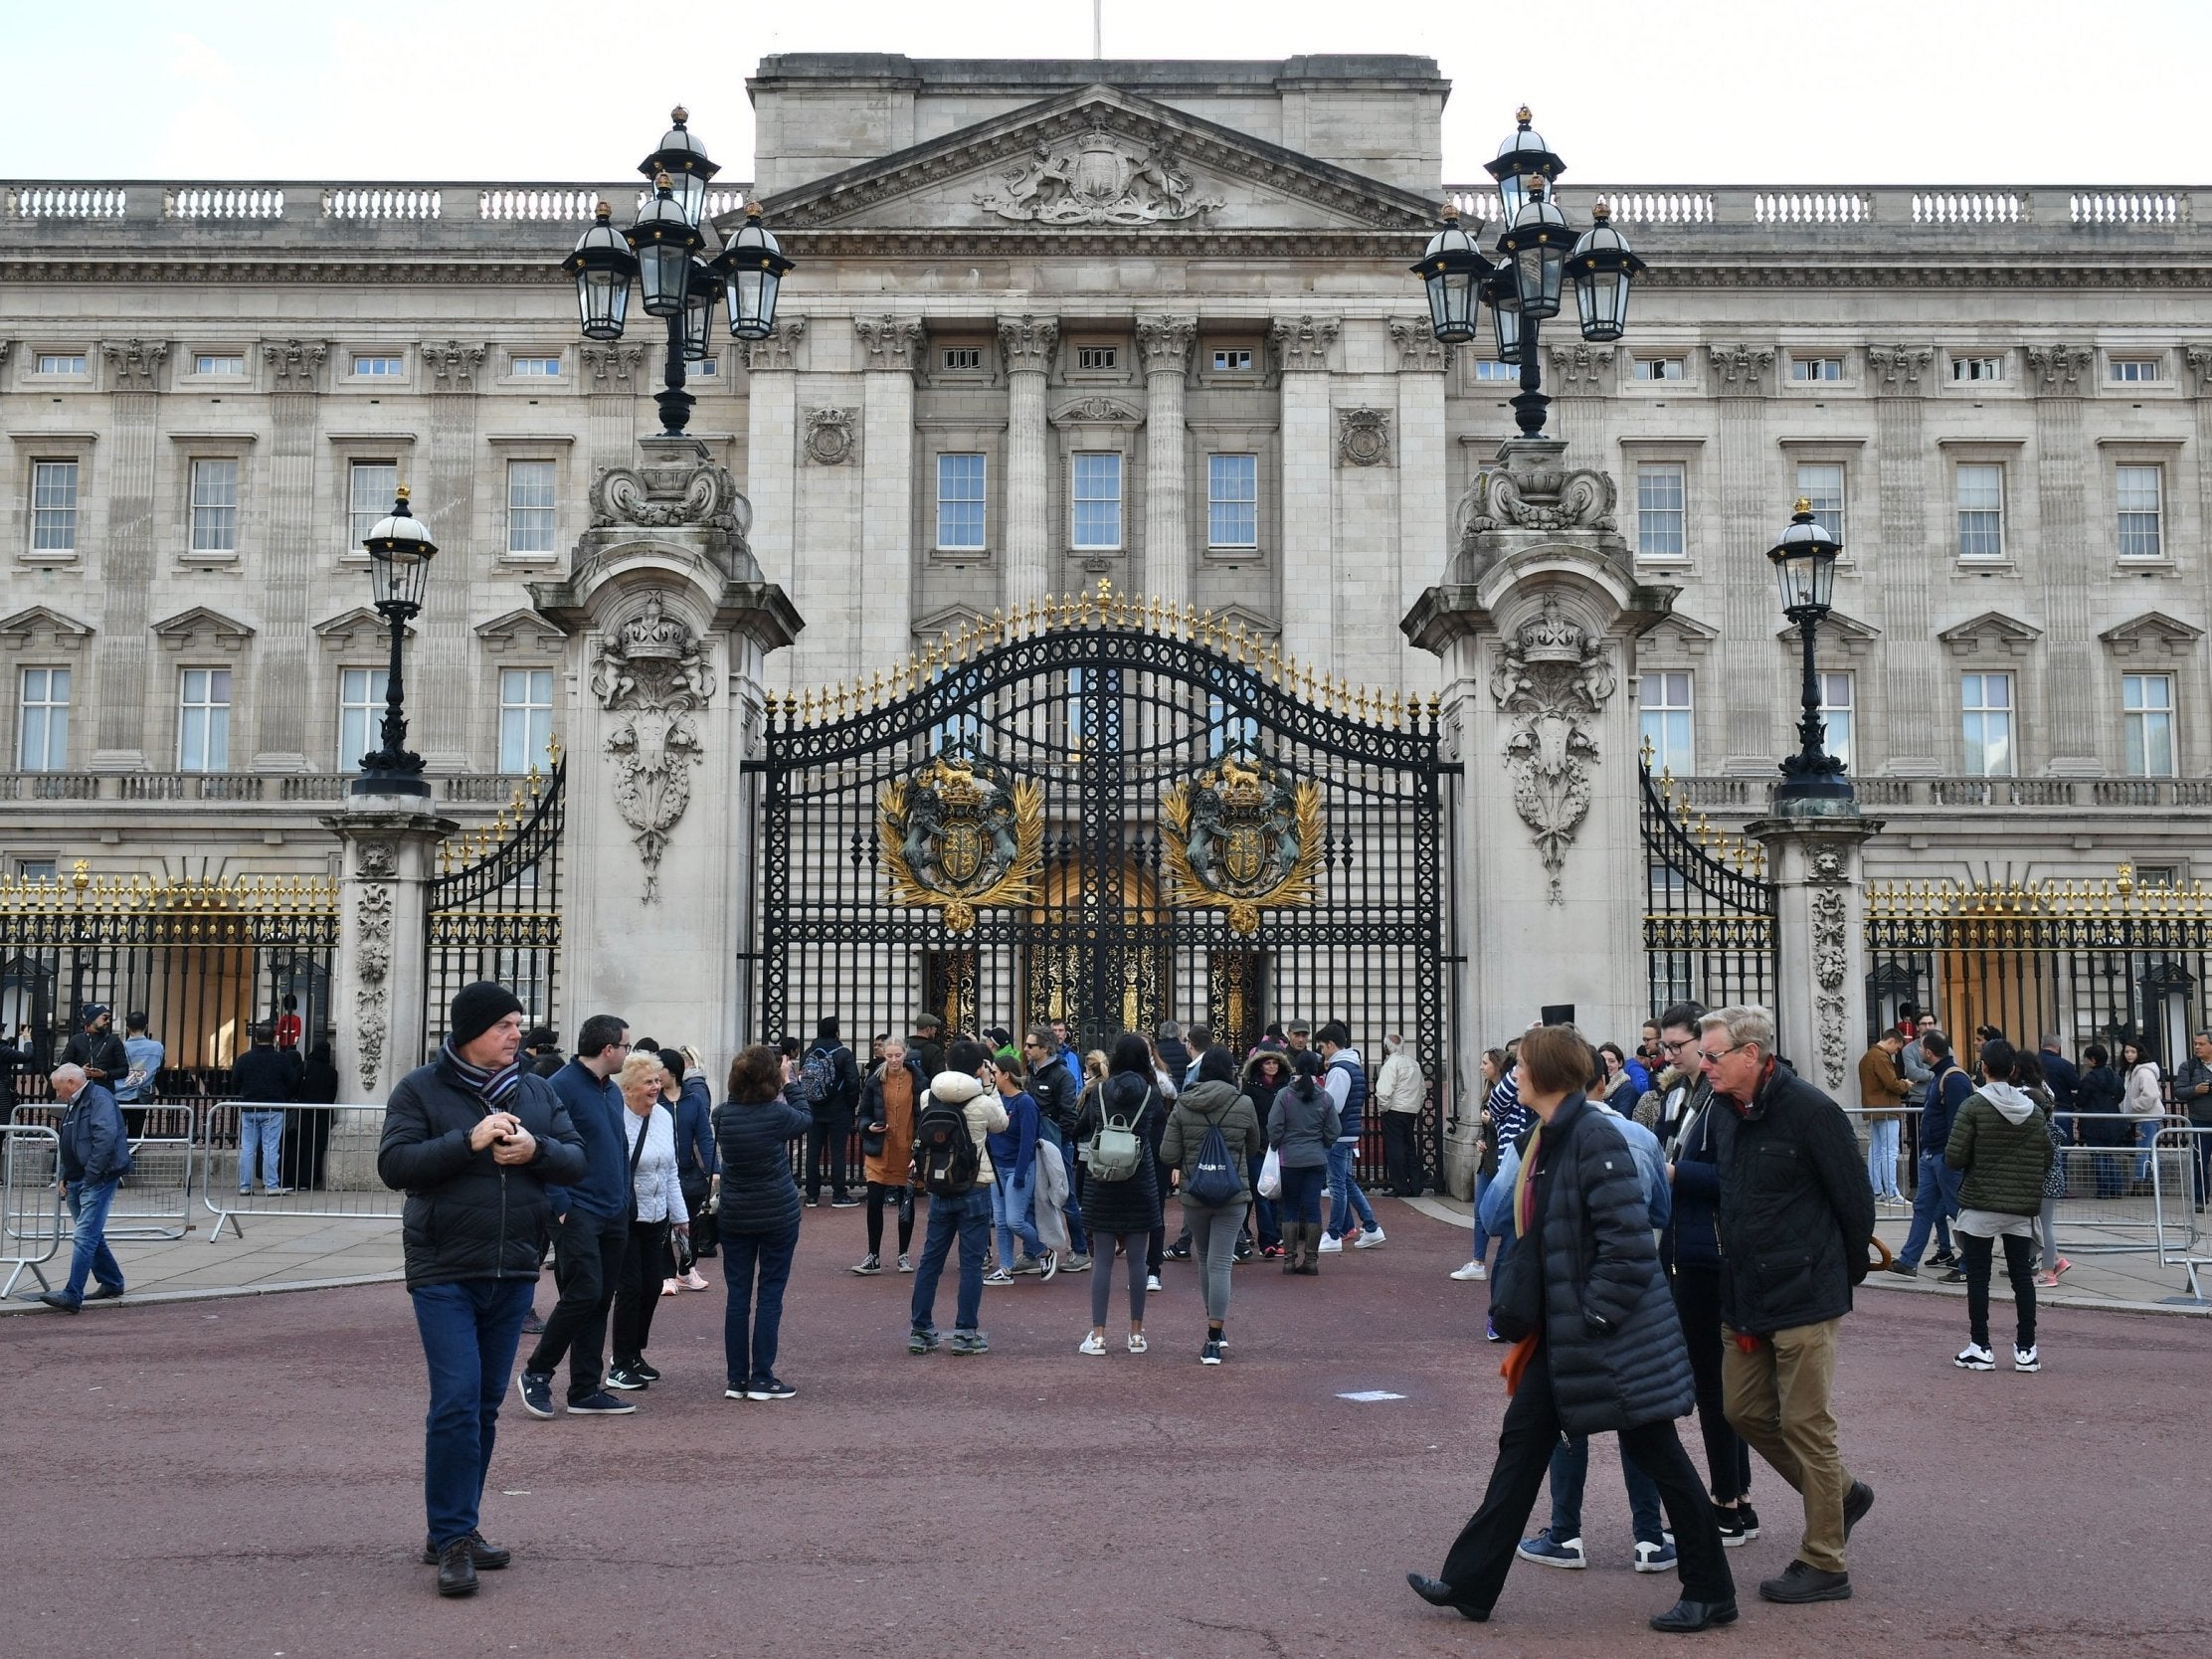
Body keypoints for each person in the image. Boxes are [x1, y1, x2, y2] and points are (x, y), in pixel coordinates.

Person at [1407, 1022, 1734, 1635]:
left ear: (1548, 1073)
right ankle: (1472, 1582)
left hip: (1605, 1337)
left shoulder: (1593, 1138)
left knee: (1656, 1453)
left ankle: (1712, 1589)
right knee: (1521, 1448)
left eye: (1522, 1065)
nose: (1514, 1075)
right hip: (1569, 1335)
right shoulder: (1552, 1136)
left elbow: (1629, 1247)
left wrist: (1593, 1319)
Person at [376, 981, 586, 1597]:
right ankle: (454, 1539)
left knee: (486, 1404)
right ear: (470, 1031)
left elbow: (576, 1158)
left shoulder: (537, 1089)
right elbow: (394, 1166)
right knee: (457, 1398)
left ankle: (452, 1527)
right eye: (505, 1026)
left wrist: (535, 1148)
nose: (517, 1034)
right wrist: (465, 1142)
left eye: (518, 1024)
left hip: (516, 1264)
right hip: (444, 1265)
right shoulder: (420, 1089)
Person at [1699, 1005, 1877, 1605]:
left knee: (1807, 1425)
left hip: (1805, 1293)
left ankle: (1825, 1560)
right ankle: (1843, 1496)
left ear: (1751, 1054)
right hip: (1745, 1291)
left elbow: (1855, 1203)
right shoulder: (1720, 1111)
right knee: (1743, 1411)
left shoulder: (1812, 1111)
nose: (1704, 1065)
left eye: (1713, 1055)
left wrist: (1835, 1279)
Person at [1514, 1064, 1680, 1575]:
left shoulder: (1547, 1139)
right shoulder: (1640, 1135)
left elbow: (1501, 1209)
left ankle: (1566, 1533)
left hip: (1571, 1293)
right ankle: (1650, 1538)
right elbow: (1659, 1213)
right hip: (1633, 1293)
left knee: (1569, 1417)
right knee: (1640, 1419)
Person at [1652, 1002, 1756, 1548]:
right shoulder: (1681, 1097)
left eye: (1678, 1047)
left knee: (1716, 1386)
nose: (1668, 1056)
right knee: (1714, 1384)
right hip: (1685, 1248)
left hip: (1708, 1255)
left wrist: (1671, 1171)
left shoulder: (1720, 1103)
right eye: (1665, 1047)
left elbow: (1730, 1178)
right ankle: (1735, 1496)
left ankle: (1728, 1502)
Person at [518, 1014, 638, 1419]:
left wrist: (623, 1196)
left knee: (600, 1298)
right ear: (608, 1049)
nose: (628, 1052)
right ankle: (537, 1372)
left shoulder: (612, 1091)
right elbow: (540, 1147)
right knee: (583, 1293)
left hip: (611, 1210)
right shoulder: (558, 1088)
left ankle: (585, 1388)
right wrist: (561, 1203)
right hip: (577, 1209)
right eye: (625, 1045)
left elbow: (617, 1147)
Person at [1944, 1039, 2054, 1372]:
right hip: (2020, 1204)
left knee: (1978, 1276)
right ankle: (2026, 1349)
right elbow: (2047, 1156)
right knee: (2021, 1276)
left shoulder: (1973, 1107)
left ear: (1983, 1068)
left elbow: (1954, 1156)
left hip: (1980, 1201)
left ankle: (1980, 1345)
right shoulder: (2032, 1111)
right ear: (2014, 1070)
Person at [712, 1043, 811, 1399]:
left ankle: (737, 1378)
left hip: (735, 1213)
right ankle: (762, 1376)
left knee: (737, 1296)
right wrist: (789, 1082)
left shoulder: (721, 1114)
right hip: (777, 1212)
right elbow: (805, 1117)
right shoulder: (776, 1115)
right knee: (770, 1294)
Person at [1160, 1046, 1264, 1364]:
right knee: (1221, 1262)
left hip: (1196, 1191)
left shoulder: (1184, 1103)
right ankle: (1215, 1335)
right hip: (1232, 1192)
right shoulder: (1242, 1102)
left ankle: (1213, 1327)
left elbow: (1167, 1154)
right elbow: (1254, 1145)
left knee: (1205, 1259)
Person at [908, 1039, 1010, 1357]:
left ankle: (920, 1329)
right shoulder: (982, 1101)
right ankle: (966, 1332)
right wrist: (990, 1087)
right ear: (979, 1068)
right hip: (974, 1186)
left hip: (939, 1185)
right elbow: (1002, 1125)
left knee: (930, 1260)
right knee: (970, 1264)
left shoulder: (929, 1096)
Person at [1075, 1034, 1167, 1354]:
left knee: (1102, 1261)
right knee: (1138, 1262)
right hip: (1139, 1179)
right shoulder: (1152, 1094)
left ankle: (1098, 1336)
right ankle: (1136, 1334)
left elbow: (1083, 1124)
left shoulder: (1099, 1091)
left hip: (1102, 1179)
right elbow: (1159, 1127)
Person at [605, 1052, 689, 1391]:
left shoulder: (665, 1116)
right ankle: (620, 1363)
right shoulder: (617, 1116)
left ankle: (635, 1353)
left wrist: (681, 1217)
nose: (656, 1087)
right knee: (630, 1287)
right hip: (626, 1214)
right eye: (648, 1082)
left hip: (657, 1215)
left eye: (657, 1080)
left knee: (654, 1284)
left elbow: (670, 1171)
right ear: (628, 1087)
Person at [37, 1063, 132, 1313]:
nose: (58, 1094)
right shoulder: (77, 1101)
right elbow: (68, 1140)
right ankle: (112, 1281)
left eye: (59, 1089)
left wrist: (91, 1174)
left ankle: (72, 1293)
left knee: (84, 1236)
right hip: (80, 1177)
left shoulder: (98, 1098)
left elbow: (105, 1136)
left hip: (97, 1178)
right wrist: (65, 1174)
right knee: (90, 1234)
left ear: (71, 1082)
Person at [1889, 1028, 1972, 1279]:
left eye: (1921, 1047)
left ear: (1928, 1052)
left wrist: (1950, 1155)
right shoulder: (1940, 1076)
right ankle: (1908, 1260)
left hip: (1944, 1157)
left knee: (1957, 1209)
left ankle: (1970, 1262)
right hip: (1932, 1155)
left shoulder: (1954, 1078)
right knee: (1924, 1207)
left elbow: (1958, 1121)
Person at [854, 1035, 927, 1274]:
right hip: (879, 1149)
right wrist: (868, 1127)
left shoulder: (917, 1080)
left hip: (906, 1149)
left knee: (905, 1203)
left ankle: (903, 1255)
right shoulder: (875, 1080)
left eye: (898, 1055)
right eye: (889, 1056)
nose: (894, 1060)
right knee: (874, 1202)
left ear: (905, 1055)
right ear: (883, 1056)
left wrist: (921, 1146)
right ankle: (873, 1255)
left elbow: (924, 1116)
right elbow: (863, 1113)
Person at [1022, 1024, 1091, 1271]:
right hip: (1036, 1143)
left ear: (1045, 1048)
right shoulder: (1033, 1071)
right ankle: (1032, 1253)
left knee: (1065, 1196)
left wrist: (1059, 1141)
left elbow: (1069, 1114)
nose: (1026, 1049)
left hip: (1055, 1144)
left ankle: (1081, 1251)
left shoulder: (1061, 1075)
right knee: (1031, 1197)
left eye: (1031, 1045)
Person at [985, 1051, 1052, 1282]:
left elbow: (1027, 1141)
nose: (992, 1076)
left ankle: (1044, 1250)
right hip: (998, 1167)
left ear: (1006, 1074)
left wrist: (1022, 1172)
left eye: (995, 1072)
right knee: (1002, 1222)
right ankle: (1006, 1267)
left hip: (1016, 1167)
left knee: (1014, 1220)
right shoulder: (996, 1099)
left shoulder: (1025, 1103)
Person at [1265, 1061, 1338, 1274]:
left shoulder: (1284, 1095)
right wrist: (1322, 1142)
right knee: (1313, 1207)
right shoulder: (1325, 1097)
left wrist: (1277, 1143)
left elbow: (1274, 1126)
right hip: (1316, 1158)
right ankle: (1311, 1260)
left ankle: (1289, 1260)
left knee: (1290, 1208)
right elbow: (1334, 1129)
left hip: (1290, 1159)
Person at [1316, 1021, 1382, 1252]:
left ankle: (1334, 1233)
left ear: (1332, 1045)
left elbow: (1331, 1105)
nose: (1322, 1052)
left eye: (1323, 1047)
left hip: (1338, 1134)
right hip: (1347, 1132)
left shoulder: (1339, 1070)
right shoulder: (1352, 1066)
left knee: (1337, 1186)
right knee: (1346, 1182)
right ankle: (1372, 1227)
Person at [1452, 1048, 1510, 1282]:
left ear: (1497, 1065)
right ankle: (1478, 1262)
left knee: (1504, 1214)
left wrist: (1492, 1123)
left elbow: (1514, 1128)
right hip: (1488, 1160)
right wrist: (1482, 1141)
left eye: (1485, 1063)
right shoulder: (1489, 1092)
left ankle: (1502, 1261)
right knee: (1479, 1212)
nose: (1481, 1067)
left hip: (1503, 1162)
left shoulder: (1507, 1093)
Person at [232, 1019, 303, 1197]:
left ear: (256, 1039)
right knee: (271, 1147)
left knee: (248, 1147)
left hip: (249, 1106)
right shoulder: (281, 1059)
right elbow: (293, 1082)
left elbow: (235, 1082)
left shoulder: (244, 1059)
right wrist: (283, 1096)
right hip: (273, 1106)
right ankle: (271, 1184)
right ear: (274, 1039)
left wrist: (246, 1093)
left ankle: (245, 1184)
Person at [801, 1016, 862, 1209]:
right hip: (839, 1109)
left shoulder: (809, 1053)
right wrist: (851, 1104)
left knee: (812, 1151)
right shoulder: (843, 1053)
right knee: (838, 1152)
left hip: (814, 1107)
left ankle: (811, 1195)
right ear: (837, 1032)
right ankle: (839, 1194)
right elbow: (853, 1082)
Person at [666, 1045, 718, 1267]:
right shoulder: (656, 1100)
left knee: (687, 1222)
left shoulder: (693, 1096)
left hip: (688, 1169)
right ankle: (669, 1271)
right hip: (667, 1169)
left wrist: (712, 1168)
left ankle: (686, 1268)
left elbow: (704, 1136)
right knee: (665, 1225)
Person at [1239, 1048, 1291, 1257]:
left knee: (1277, 1194)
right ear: (1260, 1065)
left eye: (1275, 1063)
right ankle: (1267, 1241)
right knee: (1261, 1193)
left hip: (1279, 1145)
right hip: (1258, 1145)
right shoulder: (1251, 1087)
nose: (1272, 1066)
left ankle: (1274, 1236)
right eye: (1268, 1063)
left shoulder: (1285, 1086)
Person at [1857, 1029, 1910, 1206]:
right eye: (1897, 1048)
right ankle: (1892, 1192)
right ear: (1892, 1041)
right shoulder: (1880, 1057)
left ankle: (1876, 1190)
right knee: (1890, 1152)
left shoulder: (1866, 1057)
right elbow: (1892, 1083)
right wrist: (1905, 1084)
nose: (1896, 1052)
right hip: (1887, 1108)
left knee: (1876, 1151)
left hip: (1873, 1109)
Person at [2074, 1042, 2128, 1198]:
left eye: (2087, 1059)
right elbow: (2120, 1095)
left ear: (2093, 1060)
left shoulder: (2089, 1079)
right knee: (2109, 1155)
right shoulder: (2115, 1076)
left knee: (2098, 1156)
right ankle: (2116, 1188)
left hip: (2093, 1121)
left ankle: (2104, 1189)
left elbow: (2081, 1100)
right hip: (2112, 1120)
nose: (2085, 1062)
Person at [1376, 1031, 1426, 1197]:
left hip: (1394, 1110)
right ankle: (1417, 1185)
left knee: (1395, 1149)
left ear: (1386, 1048)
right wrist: (1416, 1106)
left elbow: (1383, 1092)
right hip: (1410, 1111)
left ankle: (1400, 1186)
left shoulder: (1391, 1064)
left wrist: (1384, 1108)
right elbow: (1423, 1090)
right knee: (1410, 1148)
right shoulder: (1414, 1063)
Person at [288, 1037, 340, 1192]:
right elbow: (332, 1094)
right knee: (316, 1147)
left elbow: (293, 1085)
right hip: (322, 1115)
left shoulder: (305, 1066)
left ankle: (295, 1178)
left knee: (300, 1145)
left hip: (303, 1112)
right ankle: (309, 1179)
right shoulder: (332, 1072)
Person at [2173, 1030, 2212, 1208]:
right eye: (2195, 1043)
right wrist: (2195, 1090)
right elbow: (2179, 1091)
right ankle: (2199, 1199)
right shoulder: (2188, 1066)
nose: (2197, 1047)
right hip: (2199, 1121)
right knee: (2199, 1161)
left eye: (2201, 1044)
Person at [2120, 1038, 2165, 1191]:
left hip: (2146, 1116)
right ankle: (2151, 1182)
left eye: (2133, 1052)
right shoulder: (2132, 1071)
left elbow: (2151, 1095)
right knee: (2148, 1150)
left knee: (2143, 1151)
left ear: (2140, 1053)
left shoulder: (2144, 1072)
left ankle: (2141, 1183)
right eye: (2126, 1052)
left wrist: (2134, 1106)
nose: (2129, 1055)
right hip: (2143, 1116)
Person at [115, 1011, 164, 1139]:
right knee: (136, 1134)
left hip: (119, 1094)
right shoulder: (157, 1047)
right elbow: (159, 1069)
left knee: (117, 1134)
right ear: (146, 1026)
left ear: (127, 1028)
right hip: (142, 1095)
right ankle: (133, 1156)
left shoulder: (120, 1047)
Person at [63, 1004, 128, 1089]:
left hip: (104, 1090)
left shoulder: (113, 1040)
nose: (108, 1021)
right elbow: (64, 1066)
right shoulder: (76, 1040)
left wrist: (105, 1074)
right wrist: (79, 1071)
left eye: (109, 1018)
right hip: (79, 1090)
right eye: (105, 1018)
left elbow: (124, 1070)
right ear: (93, 1019)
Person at [907, 1012, 946, 1082]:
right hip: (925, 1090)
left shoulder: (903, 1045)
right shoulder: (933, 1050)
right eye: (934, 1029)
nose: (935, 1031)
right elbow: (938, 1078)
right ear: (928, 1029)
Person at [1154, 1020, 1192, 1088]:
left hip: (1165, 1090)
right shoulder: (1187, 1050)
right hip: (1184, 1090)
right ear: (1179, 1033)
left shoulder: (1156, 1050)